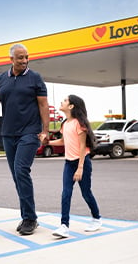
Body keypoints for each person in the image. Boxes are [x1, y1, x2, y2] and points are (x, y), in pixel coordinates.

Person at [0, 43, 50, 236]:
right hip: (8, 133)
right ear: (11, 60)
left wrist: (45, 130)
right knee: (17, 176)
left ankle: (30, 218)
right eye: (20, 58)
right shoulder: (0, 80)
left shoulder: (35, 78)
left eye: (26, 57)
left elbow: (43, 105)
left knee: (21, 170)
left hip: (30, 132)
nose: (24, 61)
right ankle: (27, 215)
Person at [48, 94, 101, 238]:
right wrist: (47, 142)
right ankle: (64, 226)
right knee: (66, 193)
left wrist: (80, 168)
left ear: (71, 106)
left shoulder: (79, 123)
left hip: (82, 162)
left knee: (86, 193)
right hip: (68, 163)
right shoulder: (65, 123)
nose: (62, 101)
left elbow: (83, 147)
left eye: (65, 100)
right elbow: (63, 141)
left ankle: (96, 218)